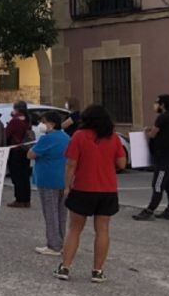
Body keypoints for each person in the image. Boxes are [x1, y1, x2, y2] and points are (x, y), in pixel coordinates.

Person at [54, 104, 127, 283]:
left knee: (74, 229)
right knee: (102, 230)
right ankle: (97, 270)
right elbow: (122, 164)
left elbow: (71, 164)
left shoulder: (79, 136)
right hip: (107, 189)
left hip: (83, 188)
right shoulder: (114, 138)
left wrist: (67, 186)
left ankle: (65, 267)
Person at [132, 94, 169, 221]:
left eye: (156, 103)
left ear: (162, 105)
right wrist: (151, 129)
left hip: (163, 157)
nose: (155, 105)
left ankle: (149, 210)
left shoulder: (162, 117)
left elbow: (153, 134)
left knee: (158, 184)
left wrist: (146, 132)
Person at [28, 111, 70, 256]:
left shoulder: (46, 139)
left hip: (48, 179)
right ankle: (62, 241)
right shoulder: (66, 137)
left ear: (51, 123)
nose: (42, 124)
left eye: (44, 122)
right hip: (64, 179)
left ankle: (53, 245)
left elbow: (31, 154)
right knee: (61, 214)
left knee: (50, 213)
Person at [4, 100, 35, 208]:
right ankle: (27, 199)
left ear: (16, 108)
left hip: (16, 150)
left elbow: (6, 134)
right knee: (25, 175)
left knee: (17, 176)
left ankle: (19, 199)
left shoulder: (15, 121)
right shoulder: (28, 119)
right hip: (25, 150)